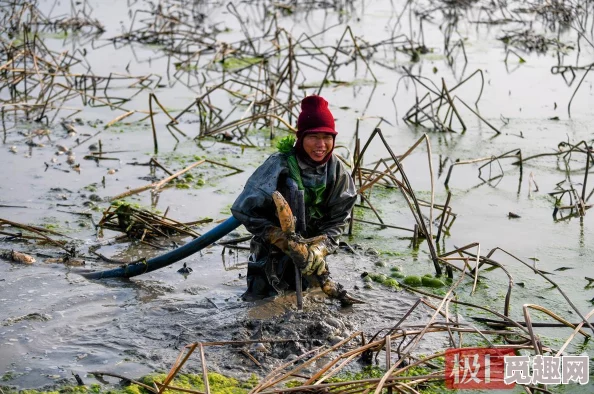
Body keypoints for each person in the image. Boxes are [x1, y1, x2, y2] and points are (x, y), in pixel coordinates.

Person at [231, 95, 357, 299]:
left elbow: (339, 220)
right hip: (270, 259)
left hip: (311, 261)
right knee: (261, 306)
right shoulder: (278, 165)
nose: (321, 144)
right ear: (301, 137)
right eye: (314, 136)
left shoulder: (337, 172)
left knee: (310, 300)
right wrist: (280, 238)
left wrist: (319, 249)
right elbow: (243, 210)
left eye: (327, 137)